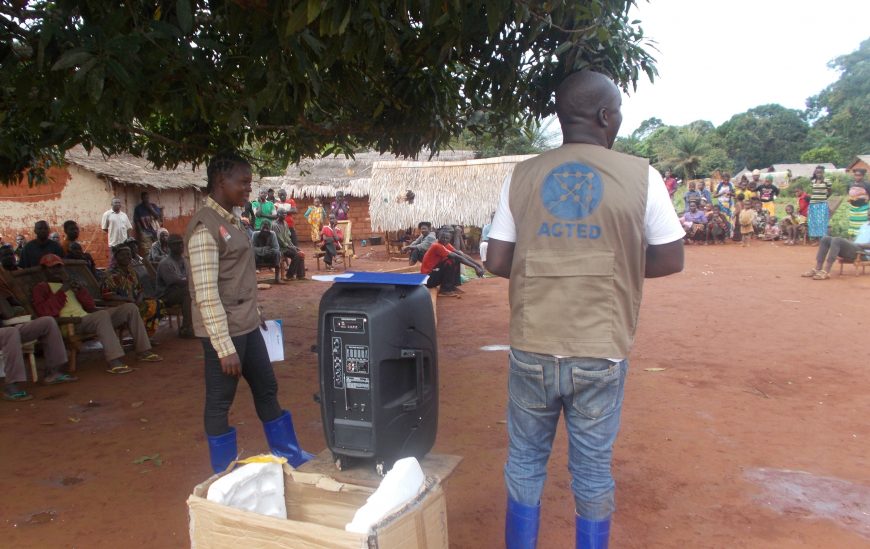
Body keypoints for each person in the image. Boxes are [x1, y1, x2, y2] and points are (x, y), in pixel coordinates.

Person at [484, 70, 684, 548]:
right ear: (604, 115)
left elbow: (496, 260)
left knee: (525, 461)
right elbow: (670, 257)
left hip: (533, 345)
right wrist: (608, 270)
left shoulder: (523, 175)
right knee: (592, 470)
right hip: (601, 349)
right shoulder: (642, 176)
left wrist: (553, 262)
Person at [184, 152, 312, 474]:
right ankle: (223, 473)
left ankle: (289, 454)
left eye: (249, 183)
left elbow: (236, 278)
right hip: (223, 331)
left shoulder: (232, 220)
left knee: (266, 386)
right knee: (220, 401)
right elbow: (206, 293)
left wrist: (254, 312)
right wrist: (224, 347)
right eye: (243, 182)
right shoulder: (204, 228)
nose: (248, 189)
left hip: (246, 324)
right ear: (220, 181)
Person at [32, 254, 161, 374]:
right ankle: (114, 360)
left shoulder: (68, 284)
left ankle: (143, 350)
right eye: (52, 268)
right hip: (71, 323)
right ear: (44, 270)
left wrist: (80, 290)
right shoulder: (41, 288)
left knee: (130, 308)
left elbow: (89, 305)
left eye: (59, 267)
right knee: (102, 315)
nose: (57, 271)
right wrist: (62, 290)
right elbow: (45, 312)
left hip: (87, 318)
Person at [1, 277, 77, 401]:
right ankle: (11, 386)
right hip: (7, 332)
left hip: (6, 329)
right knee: (10, 332)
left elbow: (10, 313)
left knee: (47, 322)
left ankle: (53, 373)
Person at [101, 245, 164, 337]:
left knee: (158, 303)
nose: (127, 257)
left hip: (136, 302)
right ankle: (141, 337)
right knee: (144, 308)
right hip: (120, 306)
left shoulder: (132, 272)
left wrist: (139, 299)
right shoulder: (110, 274)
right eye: (123, 254)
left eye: (128, 254)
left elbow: (140, 289)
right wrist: (126, 299)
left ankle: (146, 335)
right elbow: (106, 294)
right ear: (116, 257)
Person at [801, 209, 870, 280]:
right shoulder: (864, 225)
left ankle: (826, 271)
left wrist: (858, 244)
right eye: (868, 213)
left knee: (837, 240)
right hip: (855, 249)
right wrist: (849, 242)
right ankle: (817, 268)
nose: (868, 214)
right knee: (825, 239)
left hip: (863, 254)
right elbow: (857, 239)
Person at [420, 226, 484, 297]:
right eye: (442, 237)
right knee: (451, 260)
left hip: (433, 275)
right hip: (428, 279)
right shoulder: (436, 245)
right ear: (438, 237)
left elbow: (460, 254)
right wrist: (475, 267)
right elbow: (457, 257)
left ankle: (451, 286)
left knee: (455, 260)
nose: (444, 239)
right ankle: (445, 289)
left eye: (447, 238)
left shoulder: (446, 244)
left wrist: (478, 265)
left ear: (450, 239)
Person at [155, 234, 194, 338]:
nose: (180, 246)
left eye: (181, 243)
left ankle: (194, 325)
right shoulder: (165, 263)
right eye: (176, 244)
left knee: (192, 291)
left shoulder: (184, 260)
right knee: (188, 292)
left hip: (179, 290)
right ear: (169, 246)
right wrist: (191, 281)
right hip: (166, 295)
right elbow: (175, 282)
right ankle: (186, 328)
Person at [272, 210, 306, 280]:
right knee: (297, 254)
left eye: (285, 214)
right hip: (280, 248)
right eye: (283, 214)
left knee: (300, 253)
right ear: (278, 215)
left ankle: (300, 275)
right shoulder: (275, 225)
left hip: (286, 246)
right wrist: (289, 247)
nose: (284, 215)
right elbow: (279, 239)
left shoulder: (285, 223)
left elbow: (287, 238)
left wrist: (293, 246)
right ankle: (289, 275)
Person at [807, 165, 832, 242]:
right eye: (817, 172)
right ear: (815, 173)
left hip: (822, 204)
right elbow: (812, 192)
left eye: (820, 172)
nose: (819, 174)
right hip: (813, 204)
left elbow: (830, 192)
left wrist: (824, 197)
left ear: (823, 173)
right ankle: (815, 238)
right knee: (813, 221)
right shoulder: (813, 181)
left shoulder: (827, 181)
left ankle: (822, 239)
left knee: (822, 221)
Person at [846, 168, 869, 239]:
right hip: (853, 209)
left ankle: (862, 242)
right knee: (853, 225)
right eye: (855, 175)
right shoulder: (850, 184)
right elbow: (848, 194)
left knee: (863, 225)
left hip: (863, 208)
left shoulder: (867, 185)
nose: (857, 177)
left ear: (863, 176)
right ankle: (851, 242)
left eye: (859, 175)